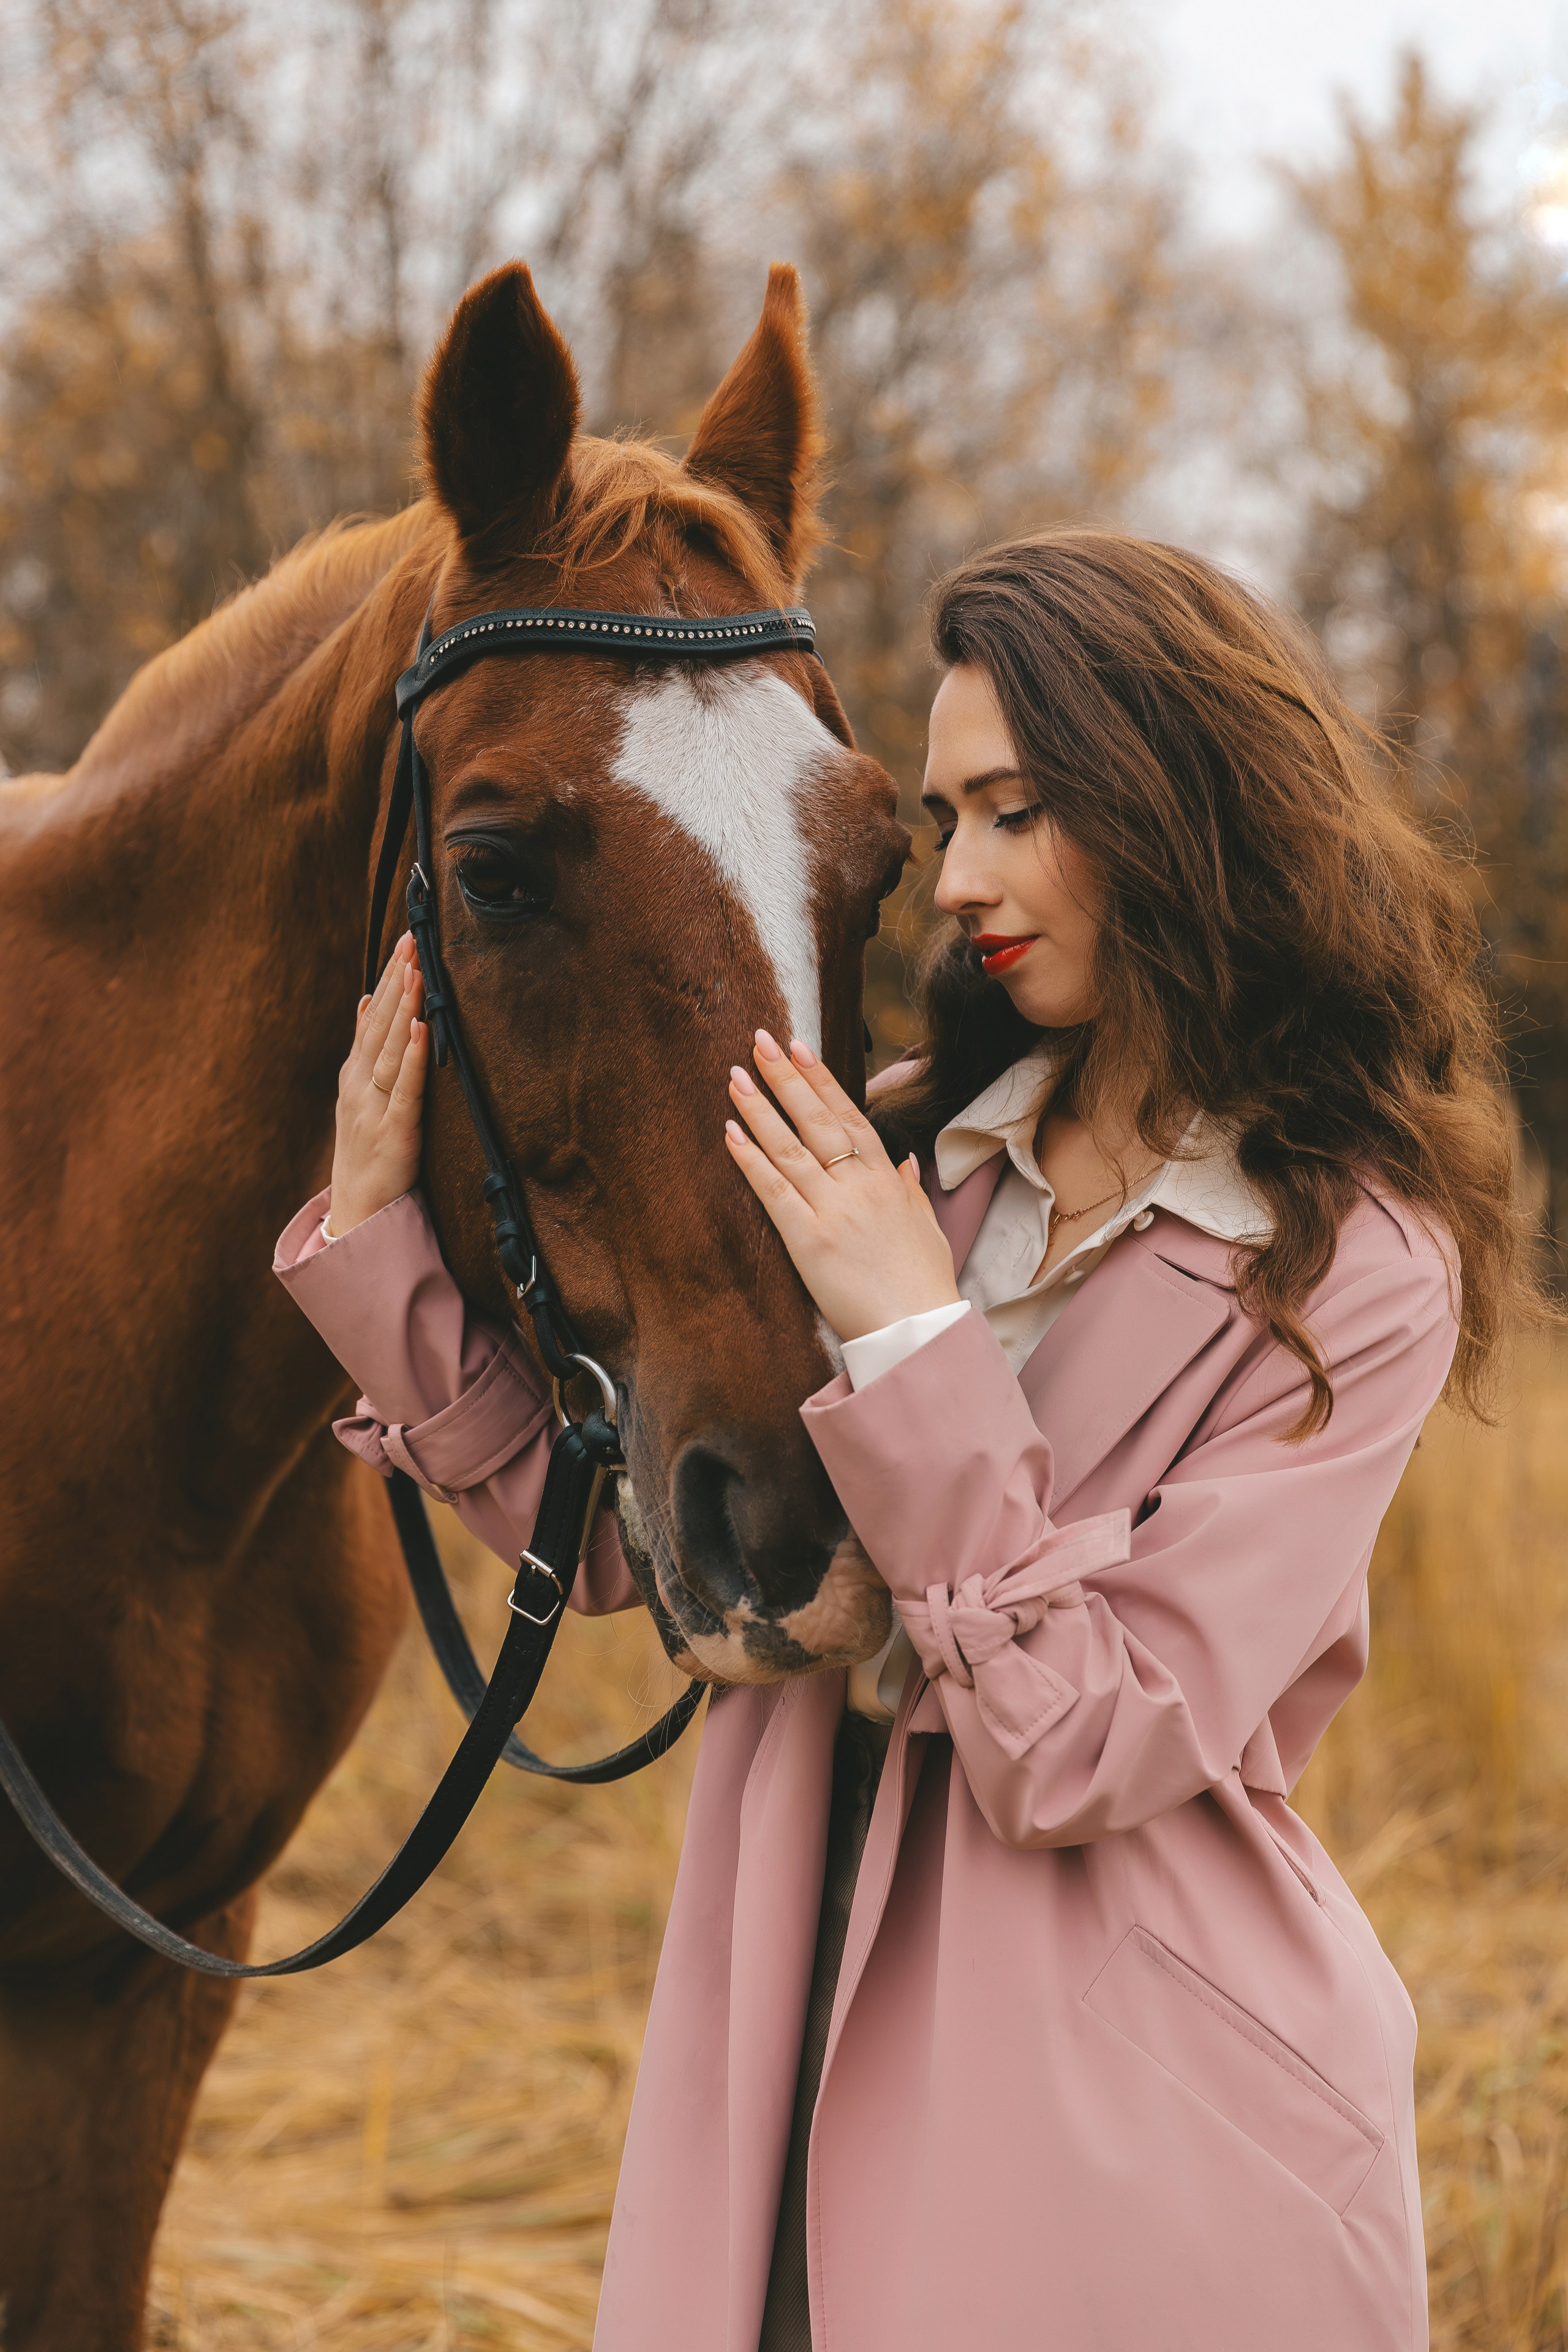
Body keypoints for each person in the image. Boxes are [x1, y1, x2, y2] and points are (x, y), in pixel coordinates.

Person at [275, 531, 1527, 2352]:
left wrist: (912, 1334)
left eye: (1017, 811)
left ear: (1179, 807)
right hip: (783, 2040)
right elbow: (659, 1546)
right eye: (942, 824)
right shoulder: (908, 1151)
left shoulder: (1356, 1260)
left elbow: (1093, 1733)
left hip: (1132, 2122)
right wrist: (384, 1254)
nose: (958, 883)